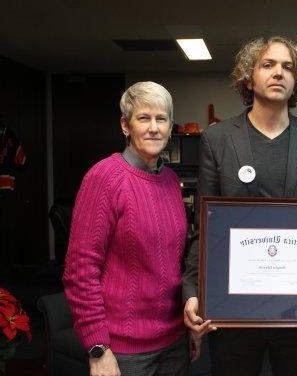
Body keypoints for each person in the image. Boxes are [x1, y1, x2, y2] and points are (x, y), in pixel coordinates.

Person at [182, 36, 297, 376]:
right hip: (232, 309)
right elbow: (204, 228)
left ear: (296, 83)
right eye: (268, 65)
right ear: (249, 79)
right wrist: (192, 291)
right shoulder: (217, 139)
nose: (279, 73)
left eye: (288, 67)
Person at [63, 81, 200, 376]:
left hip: (174, 343)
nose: (154, 128)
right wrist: (97, 347)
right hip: (123, 351)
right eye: (143, 118)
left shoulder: (171, 183)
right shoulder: (104, 178)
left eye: (161, 119)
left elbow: (177, 261)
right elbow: (80, 270)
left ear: (170, 126)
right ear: (125, 125)